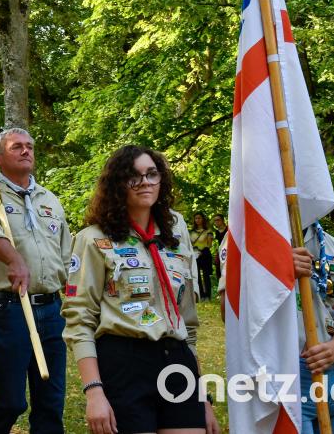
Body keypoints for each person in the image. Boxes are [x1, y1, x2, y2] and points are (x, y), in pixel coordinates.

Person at [61, 145, 218, 434]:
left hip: (177, 360)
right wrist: (94, 391)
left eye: (152, 174)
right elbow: (79, 319)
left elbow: (188, 322)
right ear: (117, 184)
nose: (145, 182)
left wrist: (202, 396)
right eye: (133, 176)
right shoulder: (93, 240)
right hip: (125, 362)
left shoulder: (175, 239)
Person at [0, 128, 73, 433]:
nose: (26, 151)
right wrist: (15, 260)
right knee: (10, 400)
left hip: (51, 309)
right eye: (17, 147)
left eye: (30, 146)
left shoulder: (49, 200)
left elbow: (66, 256)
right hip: (9, 307)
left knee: (51, 403)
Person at [218, 222, 334, 433]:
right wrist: (277, 273)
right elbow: (230, 313)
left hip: (332, 376)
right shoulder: (245, 239)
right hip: (282, 377)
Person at [189, 212, 214, 300]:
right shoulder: (191, 232)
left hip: (205, 253)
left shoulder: (208, 231)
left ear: (203, 219)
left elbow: (210, 245)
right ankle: (201, 295)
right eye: (196, 218)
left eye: (199, 218)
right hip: (195, 254)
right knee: (197, 275)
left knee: (206, 275)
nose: (197, 220)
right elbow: (189, 244)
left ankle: (208, 296)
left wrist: (202, 249)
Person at [210, 214, 227, 278]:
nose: (216, 222)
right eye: (215, 220)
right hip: (221, 252)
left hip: (229, 252)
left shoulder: (229, 229)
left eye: (218, 220)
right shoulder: (216, 232)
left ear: (222, 220)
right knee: (219, 270)